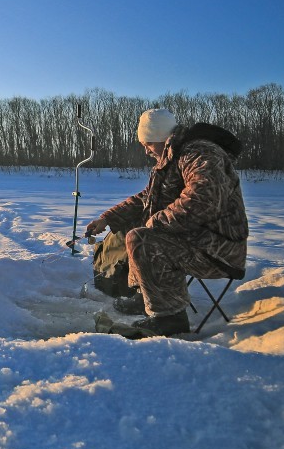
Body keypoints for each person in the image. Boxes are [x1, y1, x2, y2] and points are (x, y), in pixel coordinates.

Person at [85, 109, 248, 337]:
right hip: (195, 241)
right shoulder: (172, 157)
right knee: (139, 230)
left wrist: (154, 223)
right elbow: (146, 198)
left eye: (148, 143)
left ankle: (169, 318)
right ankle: (147, 297)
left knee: (142, 237)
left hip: (218, 251)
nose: (146, 150)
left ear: (161, 138)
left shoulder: (200, 154)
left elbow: (203, 200)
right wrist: (108, 218)